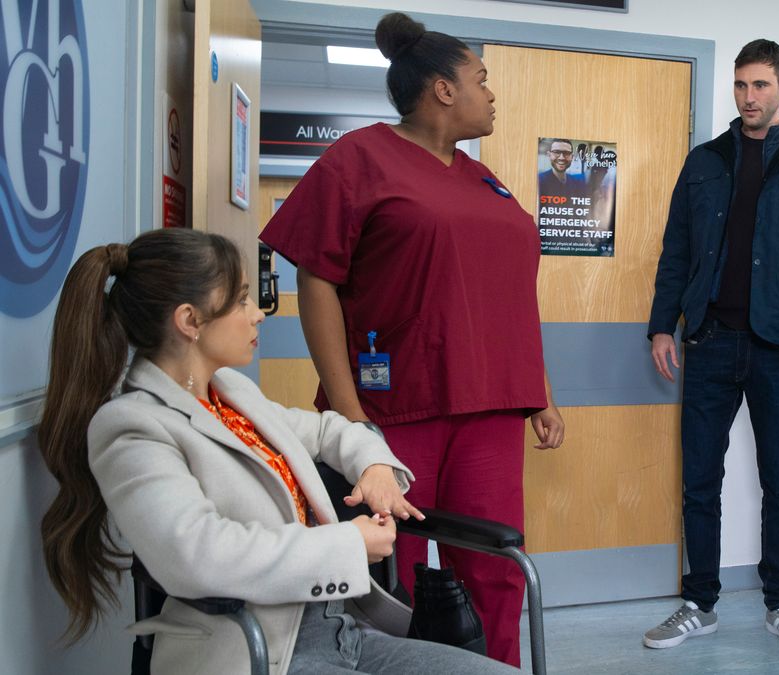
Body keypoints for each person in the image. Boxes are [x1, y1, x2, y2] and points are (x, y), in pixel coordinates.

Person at [36, 228, 514, 675]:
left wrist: (375, 465)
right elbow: (195, 555)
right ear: (190, 321)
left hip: (342, 633)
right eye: (242, 299)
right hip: (254, 653)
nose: (257, 313)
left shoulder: (232, 394)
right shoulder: (132, 426)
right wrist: (348, 545)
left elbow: (330, 430)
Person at [259, 12, 564, 667]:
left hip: (490, 405)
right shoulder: (358, 159)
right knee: (382, 570)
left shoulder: (485, 180)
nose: (492, 94)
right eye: (481, 80)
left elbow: (508, 292)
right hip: (393, 404)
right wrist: (348, 412)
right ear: (443, 89)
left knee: (494, 567)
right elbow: (316, 280)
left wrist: (540, 389)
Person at [643, 39, 779, 657]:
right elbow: (676, 248)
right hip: (709, 341)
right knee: (700, 479)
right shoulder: (705, 161)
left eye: (761, 85)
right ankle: (698, 603)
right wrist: (663, 324)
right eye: (741, 85)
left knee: (778, 481)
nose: (749, 96)